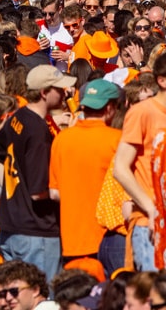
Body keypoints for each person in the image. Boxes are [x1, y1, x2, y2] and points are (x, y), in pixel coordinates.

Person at [0, 65, 74, 282]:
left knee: (15, 299)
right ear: (44, 93)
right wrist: (74, 197)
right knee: (41, 298)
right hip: (37, 232)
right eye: (59, 89)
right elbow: (39, 192)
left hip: (10, 227)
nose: (65, 93)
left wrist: (11, 191)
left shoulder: (19, 116)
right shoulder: (37, 132)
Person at [115, 49, 166, 272]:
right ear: (162, 80)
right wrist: (151, 208)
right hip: (149, 224)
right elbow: (120, 168)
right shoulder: (143, 112)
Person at [50, 79, 121, 271]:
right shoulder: (117, 140)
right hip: (111, 238)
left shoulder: (61, 140)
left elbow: (54, 193)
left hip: (73, 240)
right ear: (110, 108)